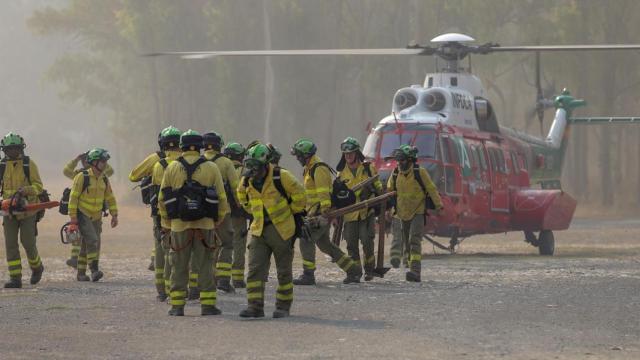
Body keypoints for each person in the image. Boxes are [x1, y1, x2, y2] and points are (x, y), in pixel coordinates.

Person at [158, 130, 229, 316]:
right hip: (205, 226)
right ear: (200, 147)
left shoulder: (172, 167)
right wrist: (217, 220)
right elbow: (222, 198)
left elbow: (162, 198)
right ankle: (207, 306)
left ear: (182, 146)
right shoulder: (212, 167)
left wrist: (167, 223)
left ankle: (177, 307)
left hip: (179, 227)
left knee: (178, 266)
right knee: (206, 265)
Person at [236, 143, 305, 318]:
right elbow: (241, 196)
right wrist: (252, 211)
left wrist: (292, 212)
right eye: (250, 166)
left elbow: (300, 195)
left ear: (265, 163)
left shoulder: (281, 176)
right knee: (254, 270)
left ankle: (282, 307)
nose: (253, 171)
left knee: (283, 272)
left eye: (256, 167)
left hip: (282, 231)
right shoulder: (246, 180)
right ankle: (255, 307)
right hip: (259, 230)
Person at [290, 138, 361, 285]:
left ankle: (308, 275)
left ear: (305, 155)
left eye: (298, 155)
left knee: (306, 239)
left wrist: (325, 214)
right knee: (325, 245)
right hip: (314, 212)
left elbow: (323, 193)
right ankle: (353, 270)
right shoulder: (309, 168)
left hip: (321, 213)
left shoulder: (319, 168)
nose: (297, 158)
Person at [387, 145, 442, 282]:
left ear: (410, 160)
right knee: (406, 242)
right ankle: (411, 265)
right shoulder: (395, 173)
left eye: (402, 161)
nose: (399, 164)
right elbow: (390, 191)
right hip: (402, 213)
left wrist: (439, 205)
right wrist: (389, 209)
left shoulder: (419, 172)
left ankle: (415, 271)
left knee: (414, 240)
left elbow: (431, 188)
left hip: (417, 211)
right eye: (398, 161)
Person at [0, 133, 45, 288]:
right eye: (9, 149)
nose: (13, 151)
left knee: (28, 242)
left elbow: (39, 186)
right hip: (9, 213)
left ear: (21, 148)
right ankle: (15, 278)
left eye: (15, 148)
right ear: (4, 150)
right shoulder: (1, 166)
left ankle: (37, 268)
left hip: (28, 211)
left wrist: (25, 190)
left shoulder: (28, 164)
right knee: (11, 244)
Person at [335, 137, 383, 281]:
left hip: (366, 212)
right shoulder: (341, 174)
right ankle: (355, 272)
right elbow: (337, 197)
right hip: (349, 215)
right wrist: (336, 217)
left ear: (357, 153)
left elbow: (379, 189)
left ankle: (369, 270)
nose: (348, 156)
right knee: (351, 245)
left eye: (351, 153)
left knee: (367, 242)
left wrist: (373, 190)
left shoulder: (368, 168)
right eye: (345, 154)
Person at [67, 148, 118, 282]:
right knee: (93, 240)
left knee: (86, 244)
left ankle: (81, 273)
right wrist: (73, 219)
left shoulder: (104, 179)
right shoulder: (82, 177)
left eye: (106, 161)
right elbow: (73, 198)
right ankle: (94, 270)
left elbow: (110, 197)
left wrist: (114, 214)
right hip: (82, 214)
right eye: (102, 161)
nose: (105, 164)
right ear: (94, 162)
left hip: (96, 216)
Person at [129, 130, 170, 272]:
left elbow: (133, 176)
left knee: (159, 237)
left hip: (158, 205)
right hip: (181, 207)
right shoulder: (185, 158)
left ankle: (160, 275)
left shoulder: (155, 159)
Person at [202, 132, 238, 293]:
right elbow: (236, 187)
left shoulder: (199, 161)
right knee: (227, 243)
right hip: (224, 211)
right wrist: (242, 205)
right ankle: (223, 280)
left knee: (206, 245)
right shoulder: (226, 162)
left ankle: (206, 280)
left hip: (202, 212)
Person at [149, 126, 182, 301]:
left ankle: (162, 290)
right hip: (183, 213)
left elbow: (133, 176)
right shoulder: (187, 162)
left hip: (161, 214)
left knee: (161, 250)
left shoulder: (157, 163)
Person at [223, 142, 249, 288]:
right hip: (239, 214)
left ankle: (219, 277)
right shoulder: (244, 171)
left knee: (222, 244)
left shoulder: (220, 166)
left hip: (222, 213)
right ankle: (237, 279)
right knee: (239, 245)